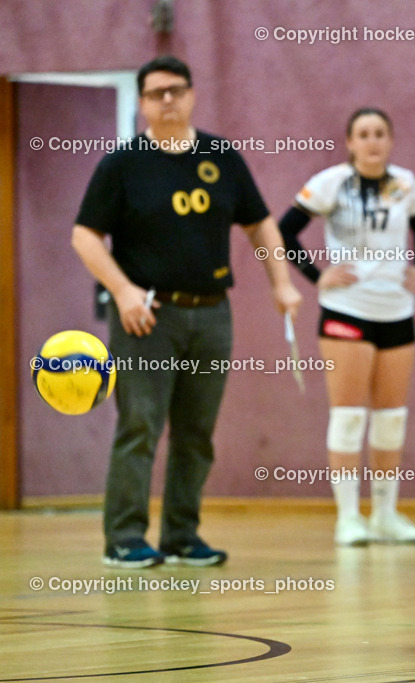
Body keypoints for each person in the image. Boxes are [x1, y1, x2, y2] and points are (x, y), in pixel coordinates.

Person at [71, 55, 302, 568]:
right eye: (156, 93)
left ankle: (181, 534)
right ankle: (125, 537)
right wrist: (123, 290)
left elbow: (261, 225)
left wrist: (281, 283)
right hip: (147, 317)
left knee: (196, 432)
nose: (168, 100)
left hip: (213, 314)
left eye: (176, 89)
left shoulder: (222, 156)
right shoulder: (122, 164)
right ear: (144, 102)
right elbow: (83, 235)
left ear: (192, 93)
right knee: (140, 425)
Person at [278, 108, 415, 546]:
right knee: (348, 416)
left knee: (391, 419)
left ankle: (385, 513)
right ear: (349, 141)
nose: (372, 141)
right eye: (363, 134)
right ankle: (348, 517)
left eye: (380, 133)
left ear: (390, 140)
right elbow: (284, 231)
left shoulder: (405, 184)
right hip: (346, 310)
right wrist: (316, 276)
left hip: (396, 311)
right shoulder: (330, 183)